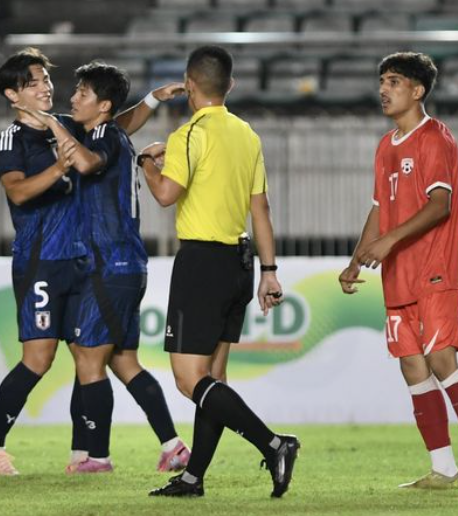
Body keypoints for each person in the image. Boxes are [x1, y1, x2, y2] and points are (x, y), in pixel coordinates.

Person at [0, 47, 186, 476]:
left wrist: (151, 101)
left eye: (47, 80)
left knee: (84, 356)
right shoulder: (11, 139)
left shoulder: (67, 127)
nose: (47, 86)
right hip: (41, 262)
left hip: (82, 262)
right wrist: (58, 167)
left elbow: (113, 127)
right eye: (34, 82)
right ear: (14, 94)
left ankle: (84, 455)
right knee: (38, 360)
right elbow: (16, 191)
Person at [138, 45, 299, 499]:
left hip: (203, 262)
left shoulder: (189, 135)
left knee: (191, 380)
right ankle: (193, 478)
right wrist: (269, 271)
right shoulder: (246, 134)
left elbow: (167, 194)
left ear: (189, 86)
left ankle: (274, 444)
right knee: (214, 380)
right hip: (240, 264)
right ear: (229, 85)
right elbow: (261, 208)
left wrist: (147, 164)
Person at [339, 52, 458, 491]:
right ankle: (443, 468)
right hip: (398, 275)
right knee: (412, 367)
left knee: (441, 359)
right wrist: (357, 259)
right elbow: (379, 208)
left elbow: (440, 205)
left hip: (434, 269)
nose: (383, 89)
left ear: (418, 90)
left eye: (393, 81)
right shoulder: (385, 145)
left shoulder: (436, 138)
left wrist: (389, 242)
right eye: (382, 81)